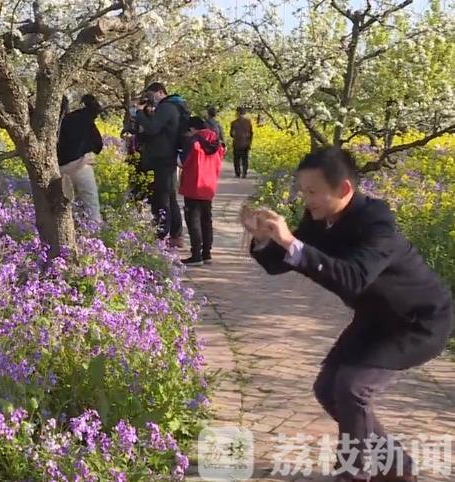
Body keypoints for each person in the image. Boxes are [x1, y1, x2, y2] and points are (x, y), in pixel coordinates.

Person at [242, 147, 452, 482]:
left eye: (312, 192)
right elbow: (282, 262)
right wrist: (264, 239)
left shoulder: (376, 221)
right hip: (375, 319)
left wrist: (291, 243)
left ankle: (352, 474)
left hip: (419, 321)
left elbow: (354, 277)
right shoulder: (318, 217)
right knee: (328, 389)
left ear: (343, 189)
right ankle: (397, 465)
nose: (306, 199)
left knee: (353, 388)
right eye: (303, 191)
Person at [136, 82, 186, 247]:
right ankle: (176, 234)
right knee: (170, 197)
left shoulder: (166, 108)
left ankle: (161, 234)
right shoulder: (174, 106)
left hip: (161, 158)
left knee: (161, 197)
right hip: (168, 157)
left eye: (151, 95)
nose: (151, 99)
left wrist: (138, 113)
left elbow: (152, 129)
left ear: (160, 92)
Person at [179, 117, 224, 266]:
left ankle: (196, 255)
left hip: (193, 185)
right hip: (209, 186)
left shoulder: (194, 142)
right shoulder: (217, 143)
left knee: (194, 221)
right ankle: (207, 253)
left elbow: (182, 161)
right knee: (206, 220)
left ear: (192, 128)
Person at [56, 94, 104, 223]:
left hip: (57, 169)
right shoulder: (81, 119)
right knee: (91, 206)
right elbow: (98, 144)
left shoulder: (44, 124)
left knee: (61, 210)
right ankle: (94, 237)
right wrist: (87, 153)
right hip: (81, 165)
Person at [230, 106, 253, 178]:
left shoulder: (234, 123)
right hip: (245, 143)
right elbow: (251, 133)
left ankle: (238, 173)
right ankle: (243, 173)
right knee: (244, 159)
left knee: (237, 159)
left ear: (237, 113)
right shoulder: (248, 122)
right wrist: (250, 142)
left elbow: (231, 134)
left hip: (238, 143)